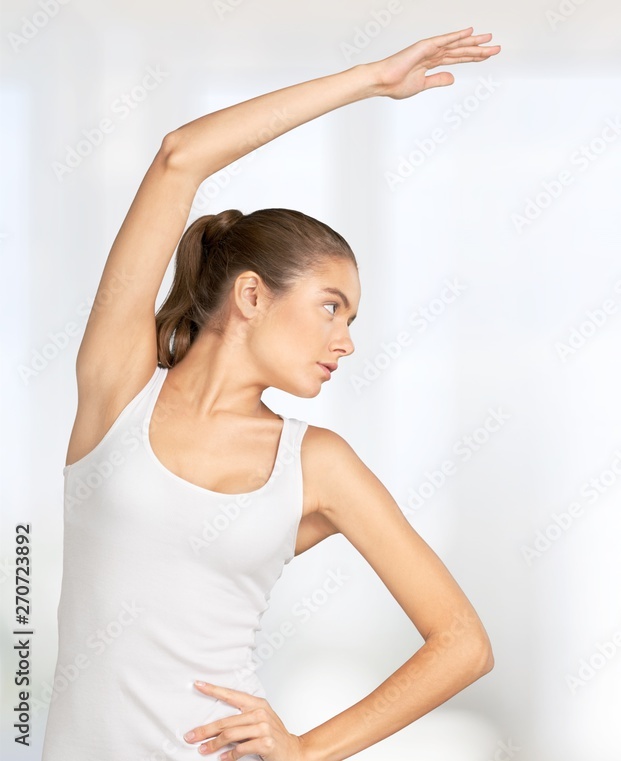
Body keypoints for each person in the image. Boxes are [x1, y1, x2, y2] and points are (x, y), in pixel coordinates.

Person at [42, 27, 501, 761]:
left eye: (351, 318)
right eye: (331, 305)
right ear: (252, 295)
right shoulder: (117, 386)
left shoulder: (317, 463)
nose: (345, 339)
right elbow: (177, 157)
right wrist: (369, 80)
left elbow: (463, 642)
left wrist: (309, 748)